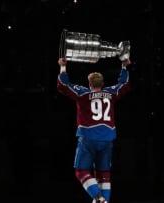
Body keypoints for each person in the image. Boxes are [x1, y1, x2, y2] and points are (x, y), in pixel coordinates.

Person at [57, 57, 131, 203]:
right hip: (107, 139)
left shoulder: (83, 94)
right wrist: (124, 66)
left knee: (81, 171)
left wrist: (63, 67)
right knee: (104, 174)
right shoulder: (111, 93)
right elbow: (125, 85)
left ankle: (98, 198)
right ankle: (104, 201)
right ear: (102, 84)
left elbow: (63, 86)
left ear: (89, 84)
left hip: (88, 138)